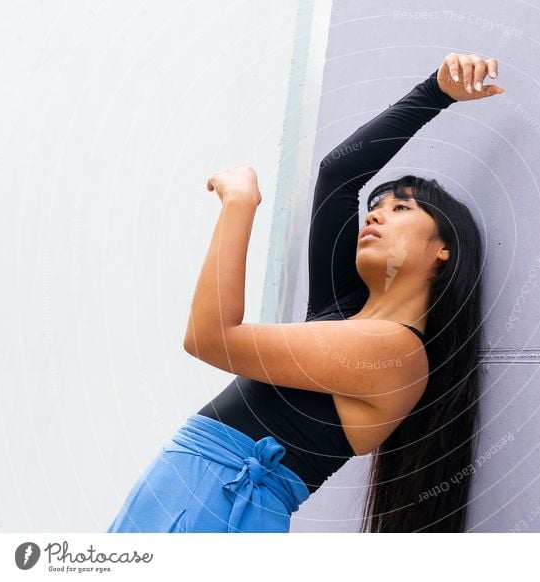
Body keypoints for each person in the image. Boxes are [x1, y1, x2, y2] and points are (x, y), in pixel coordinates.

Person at [106, 52, 503, 533]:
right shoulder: (343, 313)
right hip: (180, 493)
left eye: (401, 208)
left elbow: (210, 338)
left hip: (221, 513)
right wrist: (436, 92)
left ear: (445, 248)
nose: (375, 215)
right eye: (376, 207)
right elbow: (339, 175)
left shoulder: (396, 354)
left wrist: (240, 204)